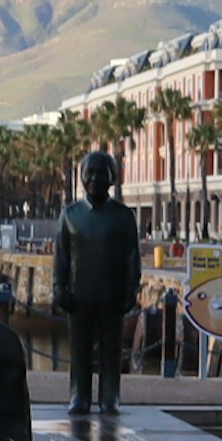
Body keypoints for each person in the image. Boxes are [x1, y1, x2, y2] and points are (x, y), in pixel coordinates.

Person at [52, 149, 142, 417]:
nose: (95, 178)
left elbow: (132, 257)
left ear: (112, 177)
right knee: (79, 349)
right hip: (79, 296)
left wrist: (131, 289)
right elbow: (61, 257)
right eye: (90, 172)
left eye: (102, 173)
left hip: (111, 295)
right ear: (81, 177)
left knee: (111, 351)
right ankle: (79, 395)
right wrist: (59, 287)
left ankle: (109, 397)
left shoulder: (124, 217)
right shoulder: (70, 215)